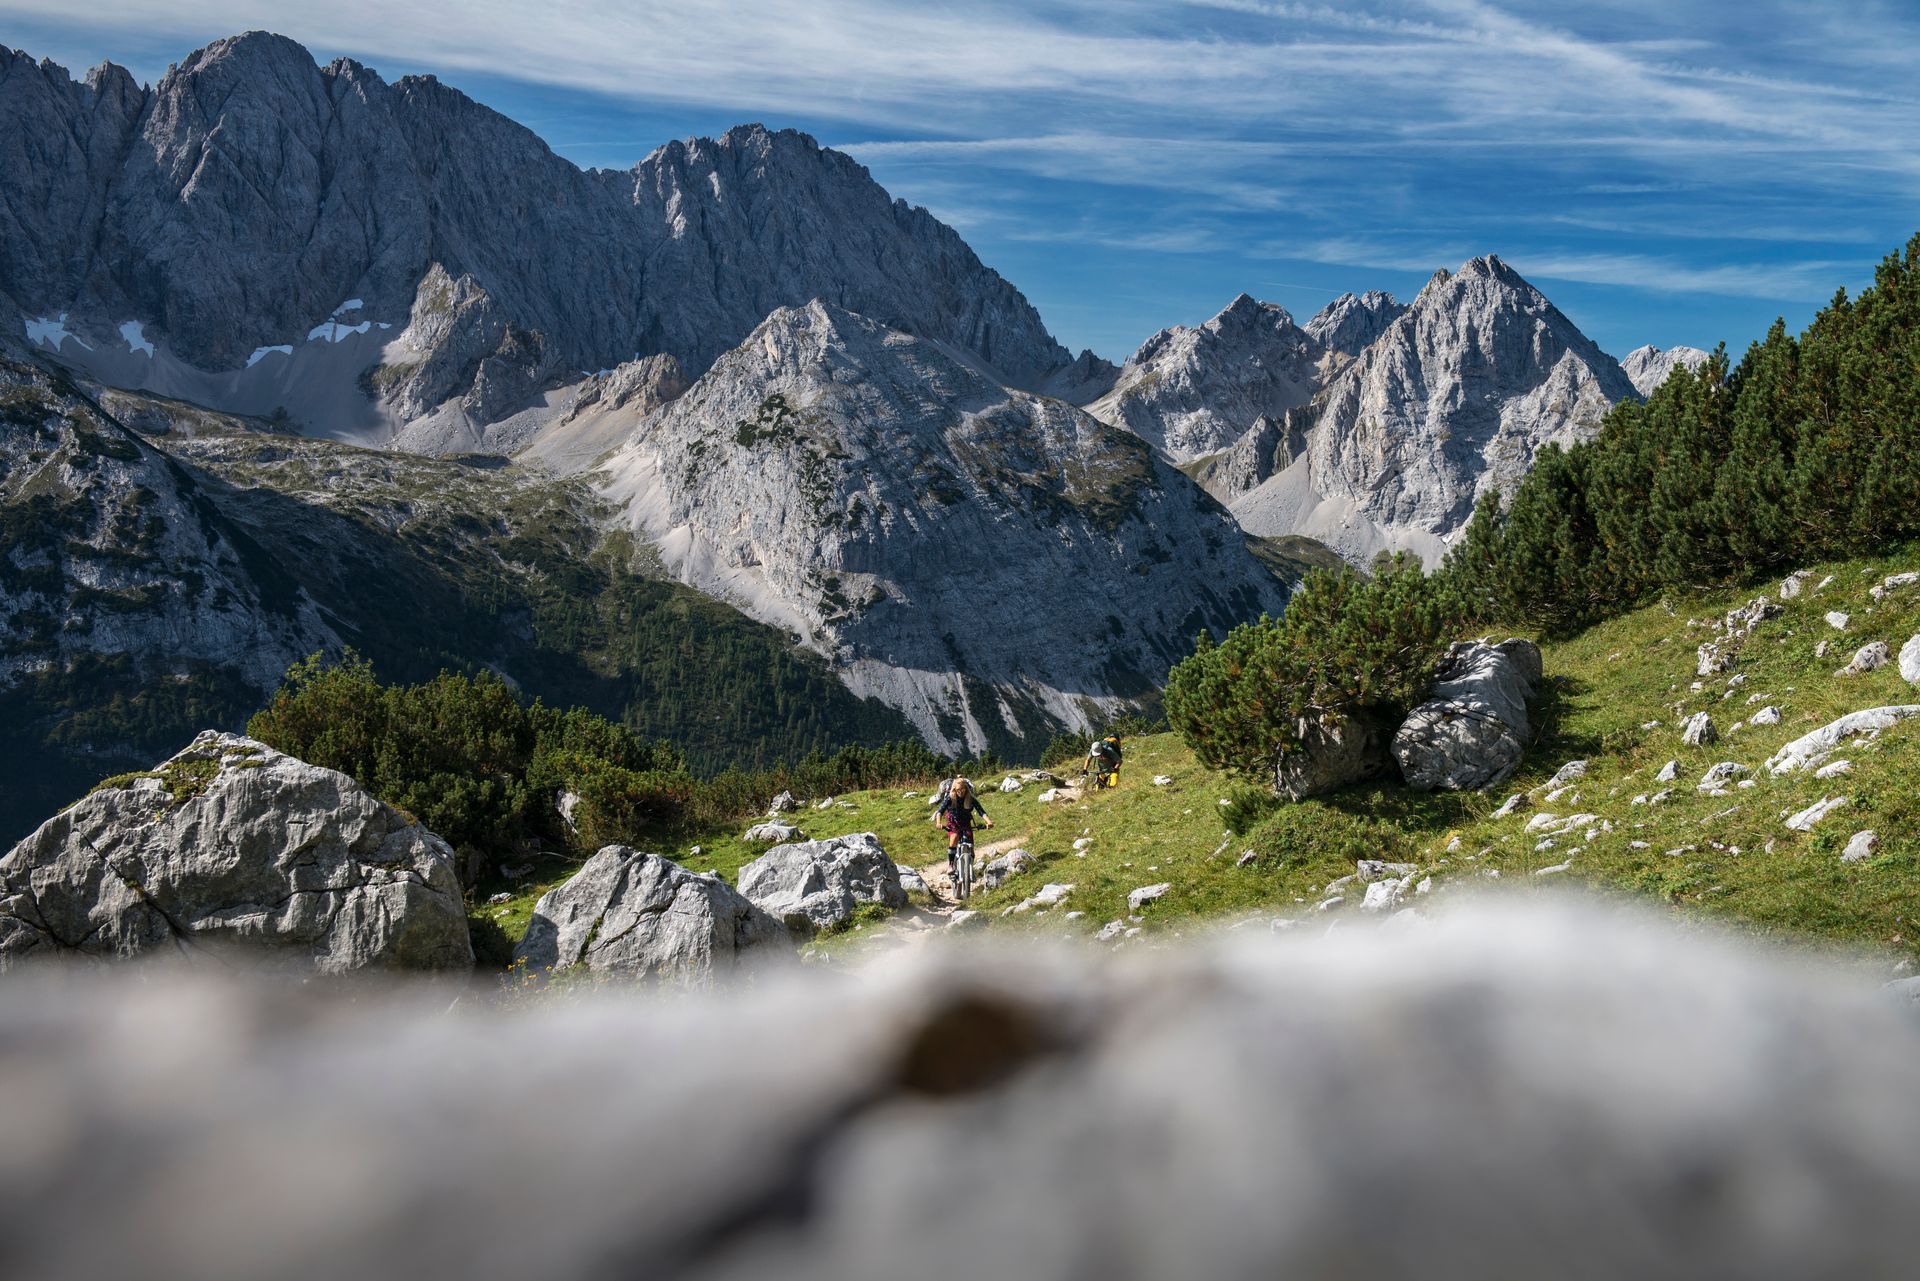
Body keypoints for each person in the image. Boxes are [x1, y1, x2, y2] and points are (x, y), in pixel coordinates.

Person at [932, 776, 991, 883]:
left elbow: (981, 811)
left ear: (966, 789)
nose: (960, 792)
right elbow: (940, 811)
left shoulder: (970, 798)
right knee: (954, 837)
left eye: (963, 789)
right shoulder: (950, 798)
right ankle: (951, 865)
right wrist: (938, 822)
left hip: (965, 823)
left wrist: (989, 821)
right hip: (953, 823)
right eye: (958, 790)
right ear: (954, 789)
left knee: (971, 846)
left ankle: (969, 869)